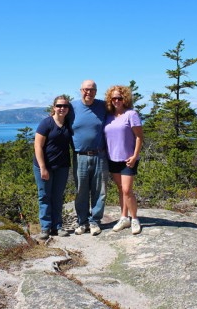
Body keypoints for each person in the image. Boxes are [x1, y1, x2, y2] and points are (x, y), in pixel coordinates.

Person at [69, 80, 108, 236]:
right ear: (80, 90)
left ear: (96, 91)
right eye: (86, 89)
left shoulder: (104, 106)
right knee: (81, 190)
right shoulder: (72, 107)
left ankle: (95, 222)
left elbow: (120, 112)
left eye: (91, 90)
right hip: (80, 156)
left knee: (100, 190)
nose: (88, 92)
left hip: (100, 155)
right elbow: (56, 121)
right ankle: (82, 222)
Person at [104, 85, 144, 235]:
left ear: (125, 99)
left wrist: (134, 156)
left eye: (119, 98)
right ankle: (123, 217)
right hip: (112, 158)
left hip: (128, 159)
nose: (116, 101)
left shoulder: (131, 114)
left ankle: (134, 219)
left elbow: (139, 136)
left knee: (127, 190)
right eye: (113, 98)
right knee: (121, 190)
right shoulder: (109, 116)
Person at [33, 95, 72, 239]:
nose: (62, 108)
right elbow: (37, 146)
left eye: (65, 106)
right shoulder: (46, 123)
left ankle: (58, 226)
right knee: (44, 196)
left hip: (61, 166)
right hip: (45, 165)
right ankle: (45, 227)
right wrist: (43, 167)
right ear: (54, 107)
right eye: (59, 106)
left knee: (57, 196)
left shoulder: (68, 123)